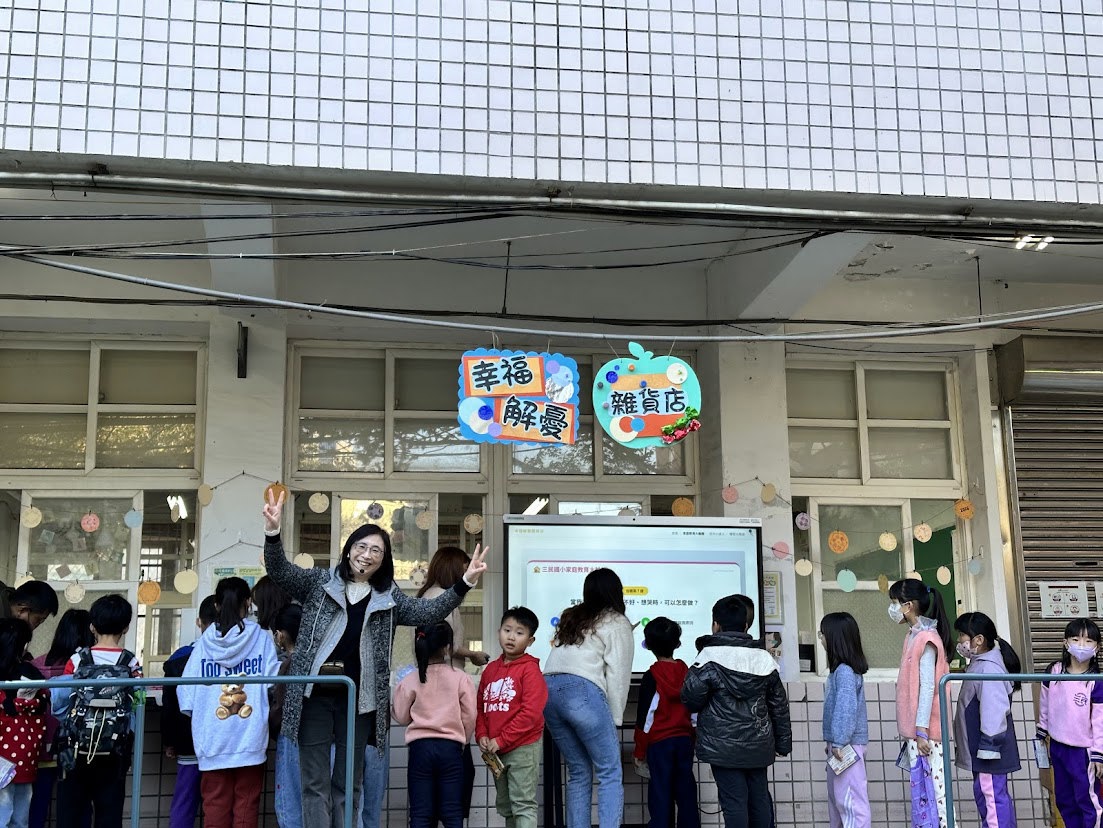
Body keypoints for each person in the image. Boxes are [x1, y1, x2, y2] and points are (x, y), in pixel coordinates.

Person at [260, 489, 488, 828]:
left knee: (348, 782)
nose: (366, 555)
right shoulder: (319, 582)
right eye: (361, 546)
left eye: (376, 551)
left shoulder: (388, 597)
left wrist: (464, 583)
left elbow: (428, 611)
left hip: (360, 700)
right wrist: (273, 532)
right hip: (313, 696)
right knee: (314, 782)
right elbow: (280, 571)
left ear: (384, 560)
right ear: (349, 549)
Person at [682, 595, 791, 828]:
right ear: (746, 625)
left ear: (715, 625)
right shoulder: (764, 658)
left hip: (723, 747)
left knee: (734, 804)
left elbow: (691, 699)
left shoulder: (708, 658)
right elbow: (779, 705)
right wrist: (783, 743)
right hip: (759, 745)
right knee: (760, 801)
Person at [178, 578, 279, 828]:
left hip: (211, 739)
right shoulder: (262, 638)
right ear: (248, 603)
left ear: (216, 604)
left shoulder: (204, 643)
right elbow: (273, 682)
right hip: (250, 736)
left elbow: (186, 694)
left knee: (215, 805)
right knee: (246, 805)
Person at [543, 568, 634, 828]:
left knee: (579, 771)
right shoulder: (617, 622)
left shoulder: (573, 617)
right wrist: (615, 718)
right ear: (616, 592)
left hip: (548, 690)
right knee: (609, 771)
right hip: (582, 690)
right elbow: (618, 673)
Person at [413, 546, 491, 825]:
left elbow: (400, 711)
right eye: (464, 569)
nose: (468, 575)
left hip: (424, 728)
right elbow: (447, 644)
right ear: (452, 569)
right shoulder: (443, 599)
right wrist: (473, 655)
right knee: (456, 789)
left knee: (425, 799)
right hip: (447, 710)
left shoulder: (428, 596)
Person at [55, 594, 142, 828]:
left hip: (75, 749)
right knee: (109, 814)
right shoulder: (130, 662)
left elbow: (62, 702)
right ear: (126, 627)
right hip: (115, 749)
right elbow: (137, 702)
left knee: (69, 813)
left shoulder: (77, 659)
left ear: (92, 626)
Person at [392, 622, 476, 828]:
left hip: (420, 749)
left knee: (420, 813)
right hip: (451, 748)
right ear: (447, 648)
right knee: (452, 812)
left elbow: (401, 716)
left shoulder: (411, 679)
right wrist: (464, 740)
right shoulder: (461, 678)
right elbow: (470, 715)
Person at [888, 578, 952, 828]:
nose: (893, 608)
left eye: (895, 602)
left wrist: (922, 730)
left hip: (926, 734)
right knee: (924, 796)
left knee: (937, 796)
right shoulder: (914, 636)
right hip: (919, 733)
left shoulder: (926, 639)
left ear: (909, 605)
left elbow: (928, 687)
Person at [476, 607, 546, 828]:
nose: (511, 637)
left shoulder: (530, 671)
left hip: (523, 747)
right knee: (506, 806)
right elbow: (481, 708)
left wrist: (502, 739)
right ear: (499, 631)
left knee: (522, 804)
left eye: (519, 632)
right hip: (496, 750)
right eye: (507, 630)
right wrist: (482, 734)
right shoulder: (490, 670)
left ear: (530, 640)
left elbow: (530, 713)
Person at [953, 611, 1022, 828]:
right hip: (984, 750)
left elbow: (994, 711)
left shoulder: (988, 667)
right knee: (990, 796)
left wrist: (989, 745)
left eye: (962, 635)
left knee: (991, 798)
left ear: (979, 640)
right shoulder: (982, 663)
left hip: (989, 751)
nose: (959, 640)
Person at [29, 610, 93, 828]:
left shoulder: (36, 666)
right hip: (76, 747)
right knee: (79, 805)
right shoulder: (88, 671)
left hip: (40, 746)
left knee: (37, 804)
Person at [1037, 618, 1103, 828]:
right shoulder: (1054, 671)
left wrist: (1098, 753)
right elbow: (1045, 702)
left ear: (1097, 647)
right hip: (1058, 746)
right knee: (1064, 800)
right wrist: (1042, 729)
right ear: (1065, 643)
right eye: (1076, 639)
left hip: (1083, 751)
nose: (1081, 645)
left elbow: (1100, 720)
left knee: (1088, 800)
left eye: (1088, 641)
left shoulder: (1097, 680)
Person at [633, 617, 698, 828]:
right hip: (684, 741)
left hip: (660, 744)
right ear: (677, 643)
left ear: (648, 645)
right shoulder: (687, 673)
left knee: (661, 794)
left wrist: (639, 751)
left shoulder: (652, 676)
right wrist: (693, 737)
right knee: (686, 793)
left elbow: (646, 718)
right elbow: (694, 711)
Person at [161, 595, 217, 828]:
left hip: (188, 741)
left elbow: (169, 704)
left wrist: (169, 741)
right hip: (220, 743)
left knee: (184, 801)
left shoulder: (180, 657)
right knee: (217, 804)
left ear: (198, 622)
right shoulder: (232, 655)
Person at [820, 612, 871, 828]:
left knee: (851, 804)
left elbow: (845, 708)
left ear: (834, 638)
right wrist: (833, 741)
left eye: (822, 634)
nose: (821, 639)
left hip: (846, 747)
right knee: (840, 801)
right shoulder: (842, 671)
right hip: (842, 746)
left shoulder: (844, 672)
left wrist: (839, 741)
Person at [0, 618, 49, 828]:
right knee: (20, 819)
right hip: (25, 756)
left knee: (2, 816)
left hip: (2, 756)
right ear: (24, 644)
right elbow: (44, 701)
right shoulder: (30, 673)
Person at [271, 603, 304, 828]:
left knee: (290, 806)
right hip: (319, 737)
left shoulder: (288, 665)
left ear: (280, 635)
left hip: (290, 738)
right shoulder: (314, 661)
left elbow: (279, 709)